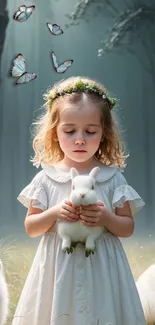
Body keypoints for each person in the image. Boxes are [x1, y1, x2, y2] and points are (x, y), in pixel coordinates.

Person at [12, 76, 146, 325]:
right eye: (70, 130)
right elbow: (31, 227)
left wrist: (107, 217)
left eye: (90, 131)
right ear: (55, 132)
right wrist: (54, 213)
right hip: (57, 269)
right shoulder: (46, 178)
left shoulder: (112, 178)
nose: (80, 139)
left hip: (103, 271)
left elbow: (127, 228)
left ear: (104, 133)